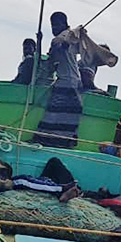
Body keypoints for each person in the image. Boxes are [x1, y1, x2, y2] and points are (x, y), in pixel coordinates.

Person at [33, 11, 84, 148]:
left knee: (53, 114)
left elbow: (50, 64)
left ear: (64, 24)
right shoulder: (73, 37)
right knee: (70, 116)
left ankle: (44, 141)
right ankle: (67, 142)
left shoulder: (59, 40)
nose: (53, 28)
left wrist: (40, 44)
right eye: (52, 25)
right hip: (76, 82)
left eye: (56, 25)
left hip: (65, 83)